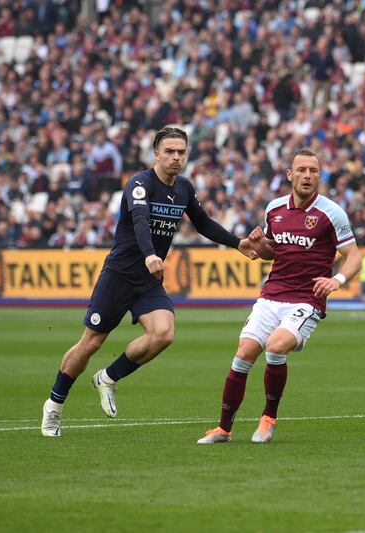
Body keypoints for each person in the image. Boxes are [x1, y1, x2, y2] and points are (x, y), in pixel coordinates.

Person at [41, 127, 259, 437]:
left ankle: (108, 378)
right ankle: (54, 405)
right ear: (155, 152)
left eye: (181, 152)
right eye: (169, 151)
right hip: (120, 275)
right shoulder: (139, 183)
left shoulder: (183, 188)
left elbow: (203, 223)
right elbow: (140, 220)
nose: (176, 157)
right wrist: (148, 254)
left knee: (164, 333)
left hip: (148, 280)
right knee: (91, 343)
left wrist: (237, 242)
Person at [197, 149, 361, 445]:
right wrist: (260, 245)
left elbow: (354, 256)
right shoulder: (274, 209)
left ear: (319, 175)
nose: (307, 175)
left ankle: (268, 418)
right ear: (289, 175)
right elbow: (273, 253)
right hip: (272, 294)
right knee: (244, 353)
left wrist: (337, 279)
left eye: (313, 170)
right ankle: (223, 429)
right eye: (301, 170)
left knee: (275, 347)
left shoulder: (331, 212)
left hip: (305, 299)